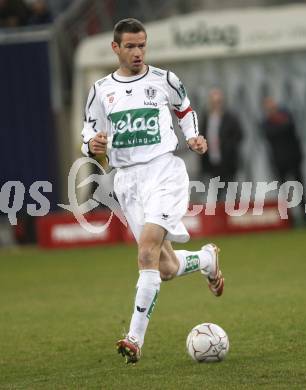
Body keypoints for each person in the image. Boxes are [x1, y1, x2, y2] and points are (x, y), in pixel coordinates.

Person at [81, 18, 224, 364]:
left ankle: (134, 338)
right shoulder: (101, 90)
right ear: (116, 48)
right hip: (127, 180)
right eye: (130, 46)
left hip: (163, 171)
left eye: (142, 45)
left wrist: (192, 136)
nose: (137, 52)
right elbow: (88, 136)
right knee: (165, 267)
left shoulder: (164, 80)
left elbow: (185, 109)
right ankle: (207, 259)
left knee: (146, 252)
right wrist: (93, 144)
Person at [261, 96, 306, 220]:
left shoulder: (286, 116)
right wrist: (281, 126)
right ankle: (288, 218)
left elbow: (289, 128)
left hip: (293, 158)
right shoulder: (267, 122)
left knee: (299, 187)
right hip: (279, 161)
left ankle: (305, 214)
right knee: (284, 191)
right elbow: (271, 133)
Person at [201, 88, 243, 194]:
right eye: (213, 102)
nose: (216, 105)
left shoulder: (230, 117)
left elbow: (239, 135)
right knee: (217, 193)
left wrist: (226, 145)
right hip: (213, 162)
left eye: (218, 102)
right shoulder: (207, 118)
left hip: (228, 162)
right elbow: (203, 135)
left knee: (231, 192)